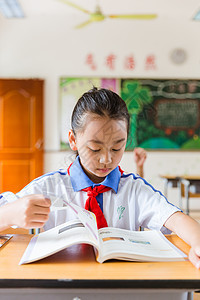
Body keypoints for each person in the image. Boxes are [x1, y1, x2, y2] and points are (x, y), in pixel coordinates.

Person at [0, 87, 200, 270]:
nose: (107, 159)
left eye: (117, 148)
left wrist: (197, 242)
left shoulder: (133, 189)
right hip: (62, 283)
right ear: (73, 140)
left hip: (120, 284)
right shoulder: (49, 187)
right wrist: (10, 214)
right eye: (95, 148)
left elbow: (176, 219)